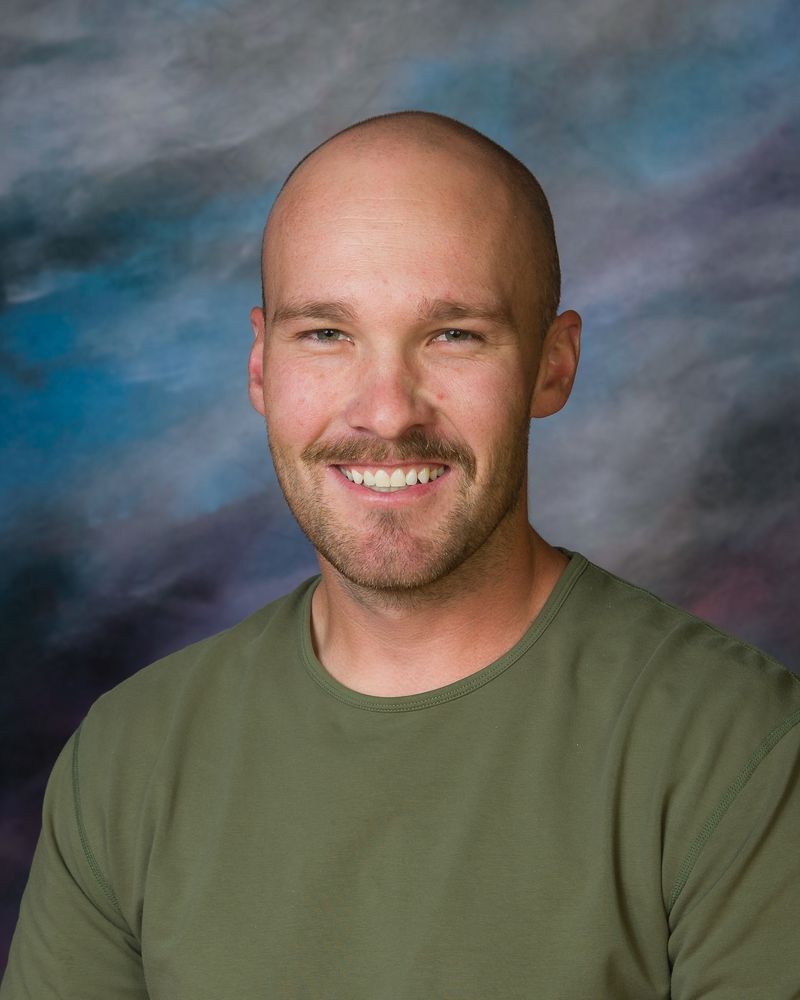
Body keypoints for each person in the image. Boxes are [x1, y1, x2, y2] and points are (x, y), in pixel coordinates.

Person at [2, 111, 799, 999]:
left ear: (553, 365)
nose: (387, 412)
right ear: (261, 367)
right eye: (326, 335)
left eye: (453, 334)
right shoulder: (129, 758)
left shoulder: (738, 749)